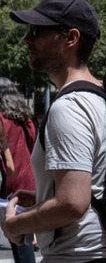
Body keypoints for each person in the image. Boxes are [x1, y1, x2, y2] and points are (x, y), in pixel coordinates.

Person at [2, 0, 106, 261]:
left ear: (70, 38)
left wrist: (14, 225)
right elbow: (95, 187)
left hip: (79, 256)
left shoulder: (68, 107)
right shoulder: (104, 97)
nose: (27, 39)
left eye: (36, 31)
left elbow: (72, 203)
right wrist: (43, 196)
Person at [0, 77, 36, 263]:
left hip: (9, 182)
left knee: (17, 238)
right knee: (23, 236)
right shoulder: (25, 118)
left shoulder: (0, 119)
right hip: (28, 181)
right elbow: (31, 146)